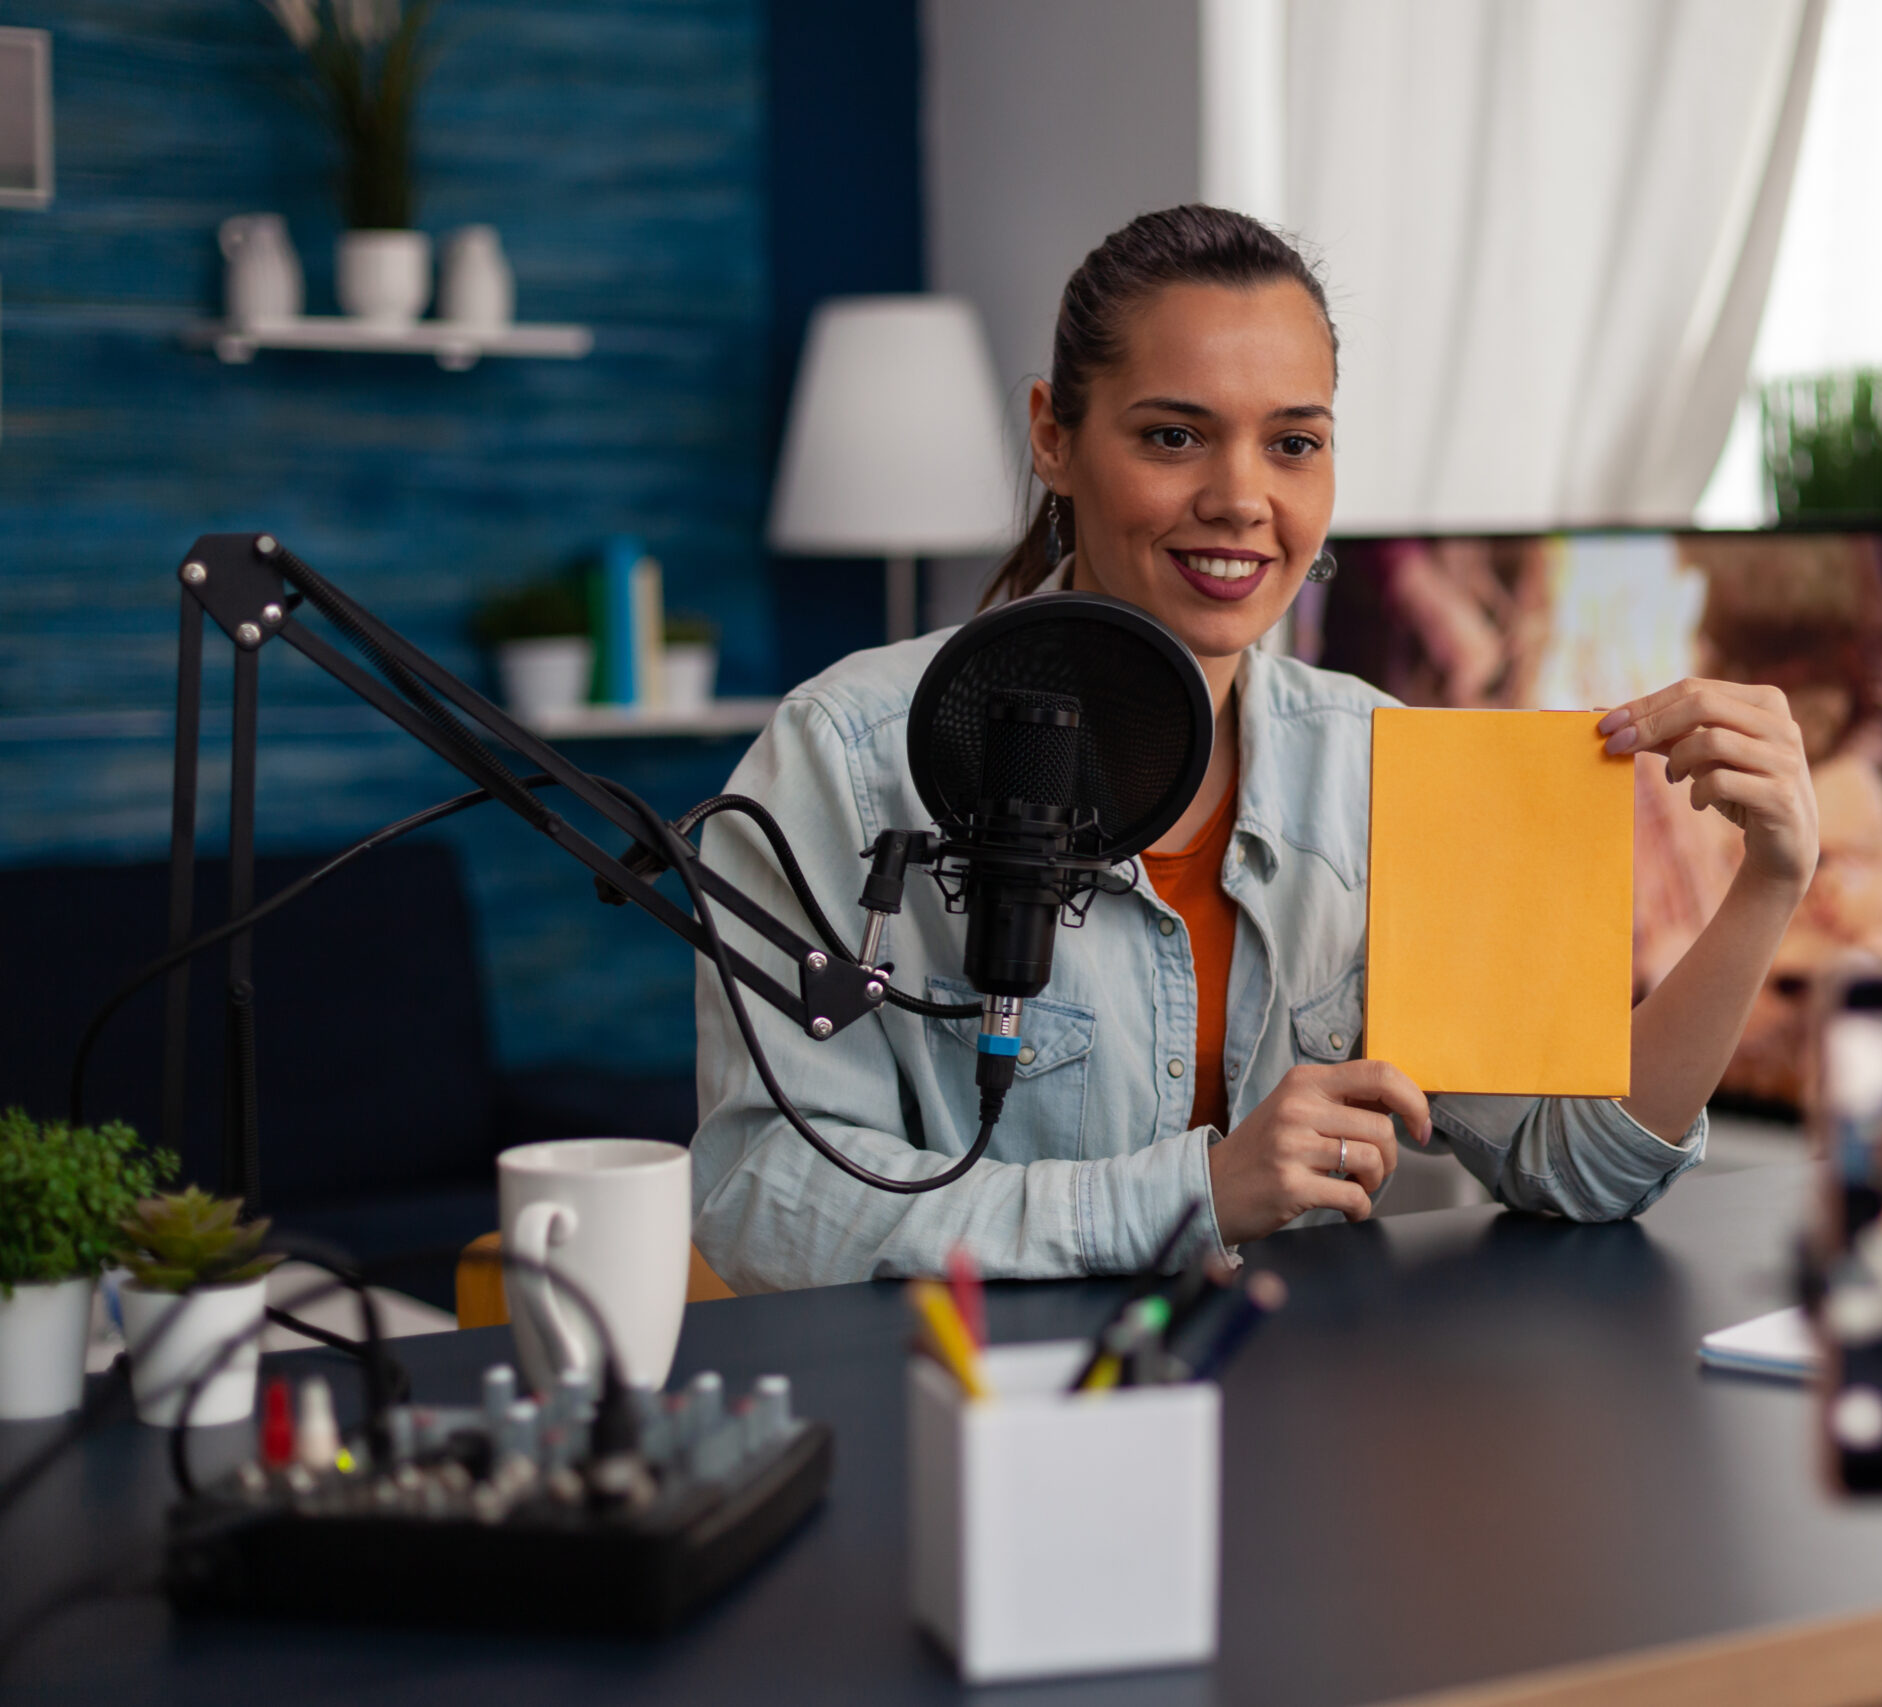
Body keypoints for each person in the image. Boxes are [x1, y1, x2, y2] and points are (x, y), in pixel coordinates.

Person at [691, 205, 1819, 1288]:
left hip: (1292, 1420)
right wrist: (1190, 1193)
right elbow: (760, 1199)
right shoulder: (846, 757)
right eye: (1173, 436)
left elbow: (1580, 1167)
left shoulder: (1388, 761)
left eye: (1293, 443)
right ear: (1053, 435)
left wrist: (1768, 884)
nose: (1240, 498)